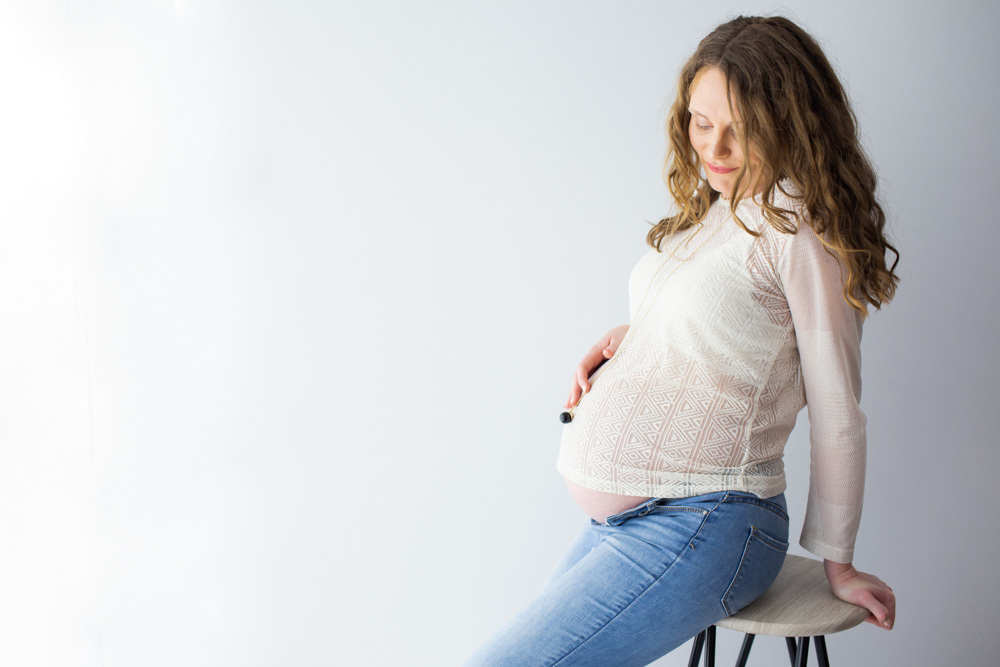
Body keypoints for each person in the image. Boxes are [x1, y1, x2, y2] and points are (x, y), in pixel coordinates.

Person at [465, 15, 898, 667]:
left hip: (711, 519)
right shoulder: (720, 210)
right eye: (701, 122)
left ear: (791, 123)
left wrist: (840, 562)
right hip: (638, 520)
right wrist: (631, 340)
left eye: (740, 129)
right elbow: (729, 332)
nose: (715, 148)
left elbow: (837, 407)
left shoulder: (798, 228)